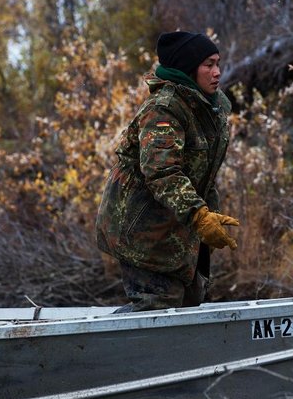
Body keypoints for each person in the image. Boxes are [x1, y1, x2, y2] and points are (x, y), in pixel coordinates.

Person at [96, 31, 239, 312]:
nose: (217, 72)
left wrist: (210, 214)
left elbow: (204, 173)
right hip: (143, 230)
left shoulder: (208, 107)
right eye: (208, 64)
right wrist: (199, 216)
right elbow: (163, 173)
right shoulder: (163, 110)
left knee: (189, 302)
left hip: (178, 228)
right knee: (158, 306)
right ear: (189, 68)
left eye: (218, 63)